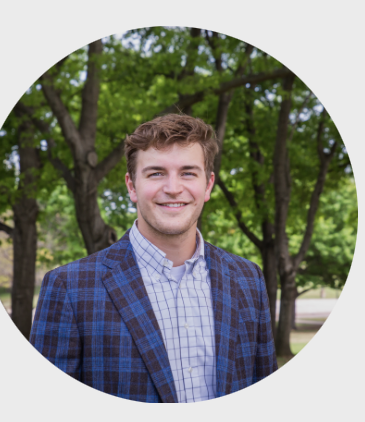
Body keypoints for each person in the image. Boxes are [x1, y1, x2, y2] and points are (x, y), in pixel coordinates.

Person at [30, 114, 277, 403]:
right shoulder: (70, 287)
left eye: (188, 173)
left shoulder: (248, 279)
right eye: (156, 173)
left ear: (208, 185)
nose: (173, 188)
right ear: (132, 186)